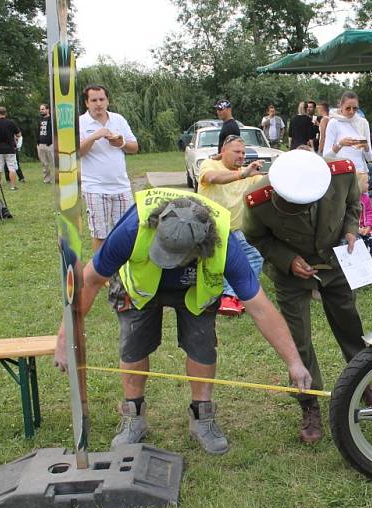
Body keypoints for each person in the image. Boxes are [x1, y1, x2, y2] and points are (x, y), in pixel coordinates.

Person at [53, 189, 312, 455]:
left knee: (202, 346)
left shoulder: (224, 244)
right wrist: (65, 336)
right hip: (139, 287)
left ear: (203, 247)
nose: (167, 262)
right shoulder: (133, 228)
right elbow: (90, 280)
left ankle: (202, 416)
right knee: (133, 346)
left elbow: (261, 309)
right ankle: (134, 414)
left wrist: (294, 362)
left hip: (195, 287)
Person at [242, 149, 372, 444]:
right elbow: (256, 237)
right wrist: (288, 259)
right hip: (291, 275)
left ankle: (363, 381)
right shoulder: (258, 199)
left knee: (350, 326)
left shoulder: (342, 173)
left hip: (335, 262)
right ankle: (310, 403)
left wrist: (352, 230)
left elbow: (353, 204)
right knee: (297, 339)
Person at [198, 134, 266, 317]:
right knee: (215, 265)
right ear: (222, 152)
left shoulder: (249, 173)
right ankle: (230, 294)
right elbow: (212, 178)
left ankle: (232, 296)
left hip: (236, 232)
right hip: (207, 230)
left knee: (255, 255)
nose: (241, 156)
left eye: (244, 153)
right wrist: (242, 174)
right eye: (237, 151)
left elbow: (268, 185)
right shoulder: (210, 165)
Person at [79, 83, 139, 252]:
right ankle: (101, 277)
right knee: (100, 234)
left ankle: (122, 273)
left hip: (121, 186)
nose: (98, 104)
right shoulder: (81, 123)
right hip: (94, 187)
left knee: (127, 232)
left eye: (101, 99)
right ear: (87, 103)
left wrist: (121, 143)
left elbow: (134, 147)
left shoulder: (118, 119)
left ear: (107, 100)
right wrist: (94, 137)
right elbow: (77, 153)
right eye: (94, 100)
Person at [323, 91, 372, 191]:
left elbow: (369, 157)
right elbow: (326, 156)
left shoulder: (363, 123)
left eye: (355, 108)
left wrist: (365, 146)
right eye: (348, 108)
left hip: (359, 173)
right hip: (341, 173)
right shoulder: (334, 123)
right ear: (341, 106)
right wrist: (340, 144)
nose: (351, 111)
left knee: (361, 205)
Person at [37, 103, 55, 183]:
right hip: (41, 144)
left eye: (43, 109)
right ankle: (47, 179)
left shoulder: (52, 120)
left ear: (48, 110)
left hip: (50, 144)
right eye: (40, 109)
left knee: (54, 162)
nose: (41, 111)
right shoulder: (40, 120)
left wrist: (51, 141)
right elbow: (37, 131)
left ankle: (57, 179)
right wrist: (37, 142)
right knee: (44, 164)